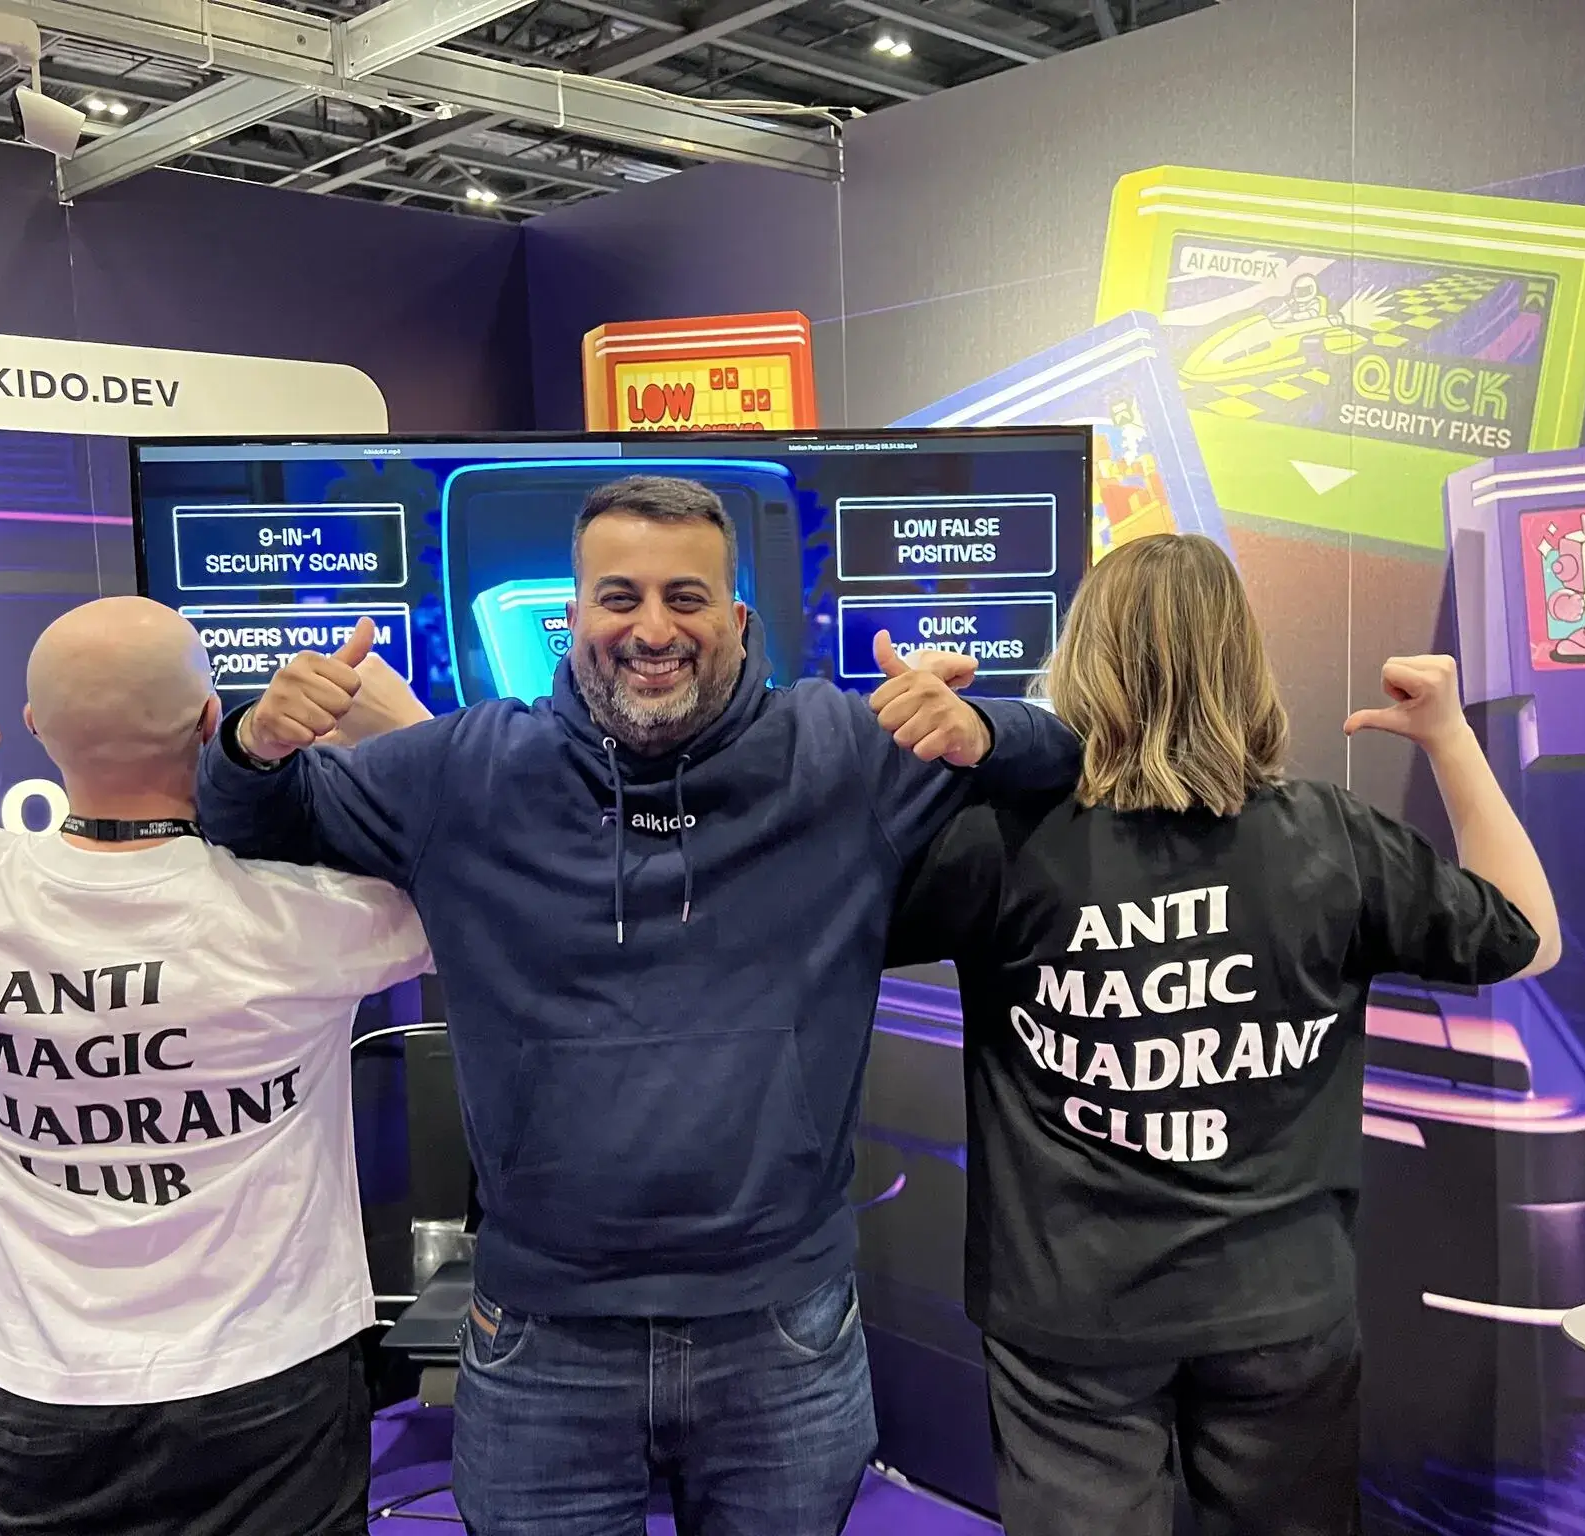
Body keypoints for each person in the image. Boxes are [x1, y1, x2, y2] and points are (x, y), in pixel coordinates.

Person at [196, 474, 1081, 1535]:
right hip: (542, 1341)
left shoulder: (843, 756)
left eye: (686, 598)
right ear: (572, 618)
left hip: (782, 1339)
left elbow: (1059, 756)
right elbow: (249, 816)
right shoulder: (465, 772)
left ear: (737, 619)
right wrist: (251, 739)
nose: (653, 629)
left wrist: (984, 726)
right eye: (619, 598)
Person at [0, 599, 437, 1536]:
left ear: (34, 730)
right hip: (270, 1377)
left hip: (44, 1383)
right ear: (214, 721)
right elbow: (498, 876)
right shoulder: (307, 911)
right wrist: (407, 733)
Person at [887, 533, 1560, 1536]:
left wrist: (929, 768)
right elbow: (1531, 936)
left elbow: (809, 918)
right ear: (1244, 666)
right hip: (1278, 1311)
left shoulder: (1004, 841)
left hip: (1073, 1320)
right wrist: (1450, 739)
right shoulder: (1332, 838)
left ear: (1081, 663)